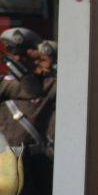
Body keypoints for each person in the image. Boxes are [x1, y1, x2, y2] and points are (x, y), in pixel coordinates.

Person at [0, 27, 56, 195]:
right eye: (14, 54)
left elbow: (33, 89)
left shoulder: (49, 84)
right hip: (8, 161)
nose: (19, 58)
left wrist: (51, 62)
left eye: (24, 54)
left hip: (38, 162)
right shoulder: (4, 85)